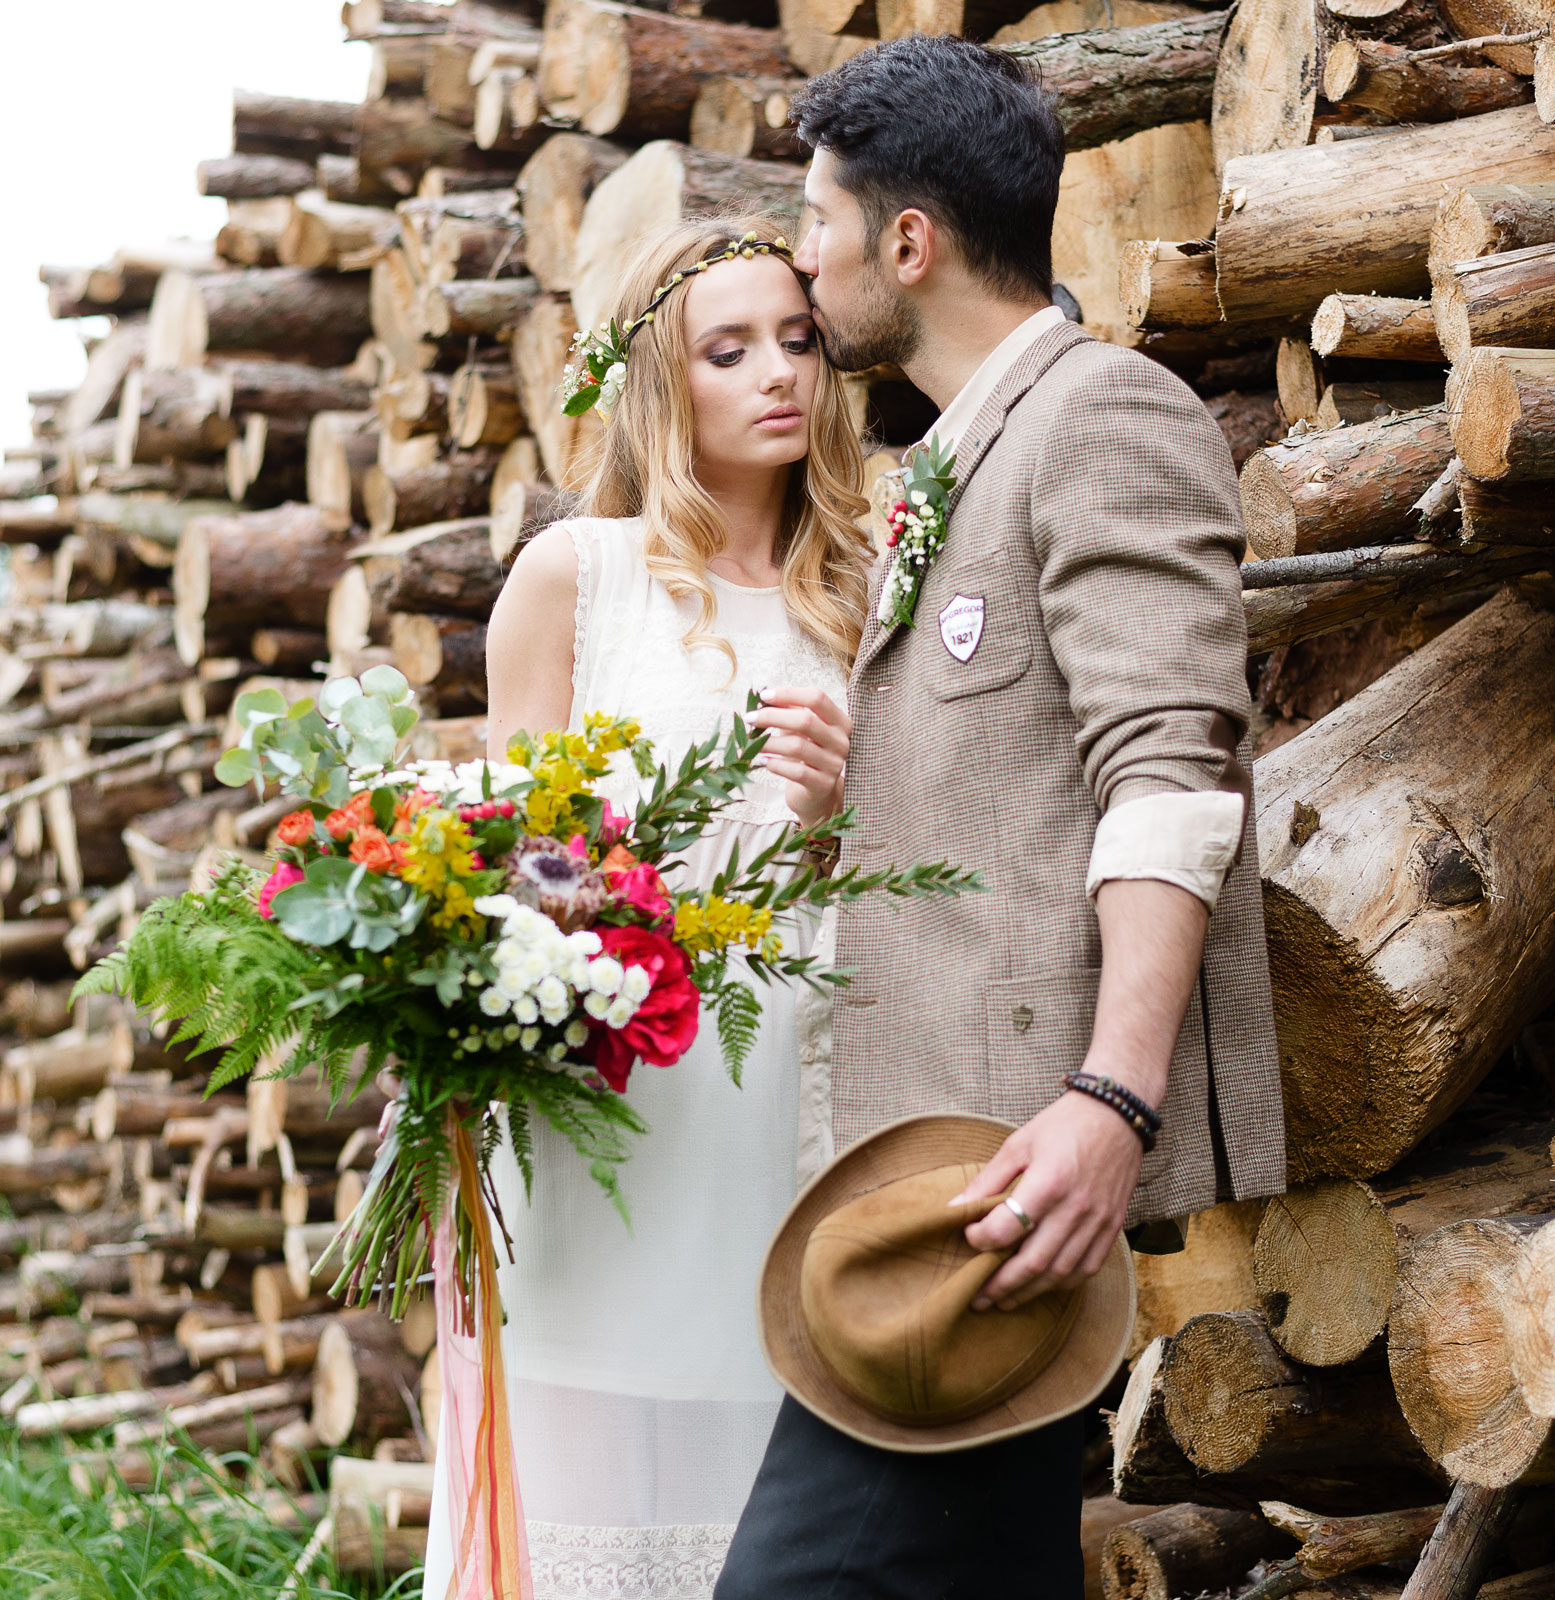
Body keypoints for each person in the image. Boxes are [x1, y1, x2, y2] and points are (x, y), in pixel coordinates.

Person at [714, 36, 1286, 1598]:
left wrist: (1113, 1101)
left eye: (819, 227)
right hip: (928, 1157)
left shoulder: (1105, 415)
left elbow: (1169, 774)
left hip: (1015, 1163)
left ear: (911, 243)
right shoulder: (944, 461)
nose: (804, 263)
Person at [420, 215, 873, 1599]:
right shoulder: (577, 577)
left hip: (793, 1096)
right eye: (727, 351)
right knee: (594, 1499)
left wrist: (830, 815)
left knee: (773, 1491)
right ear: (662, 383)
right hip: (609, 1109)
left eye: (797, 341)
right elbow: (511, 866)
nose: (775, 375)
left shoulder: (864, 589)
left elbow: (927, 866)